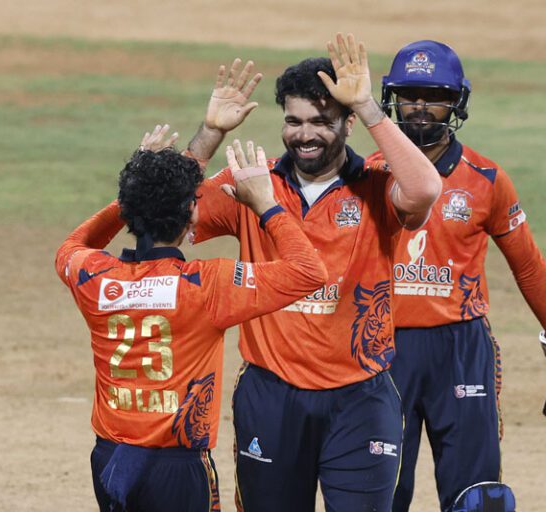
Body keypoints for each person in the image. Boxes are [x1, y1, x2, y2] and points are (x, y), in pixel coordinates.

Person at [183, 34, 442, 511]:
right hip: (271, 394)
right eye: (294, 121)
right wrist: (210, 132)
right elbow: (169, 210)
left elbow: (426, 188)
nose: (305, 134)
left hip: (361, 399)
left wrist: (366, 105)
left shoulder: (379, 186)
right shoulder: (252, 182)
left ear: (347, 124)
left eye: (322, 122)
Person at [54, 124, 328, 511]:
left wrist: (135, 190)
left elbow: (73, 244)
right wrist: (267, 205)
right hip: (177, 468)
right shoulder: (207, 285)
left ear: (130, 209)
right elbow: (309, 272)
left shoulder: (91, 277)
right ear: (191, 216)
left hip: (110, 459)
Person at [368, 40, 546, 511]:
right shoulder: (367, 174)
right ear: (392, 98)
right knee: (379, 495)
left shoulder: (486, 178)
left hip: (461, 349)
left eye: (435, 95)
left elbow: (526, 264)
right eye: (410, 94)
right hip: (383, 347)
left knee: (476, 497)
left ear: (457, 102)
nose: (421, 107)